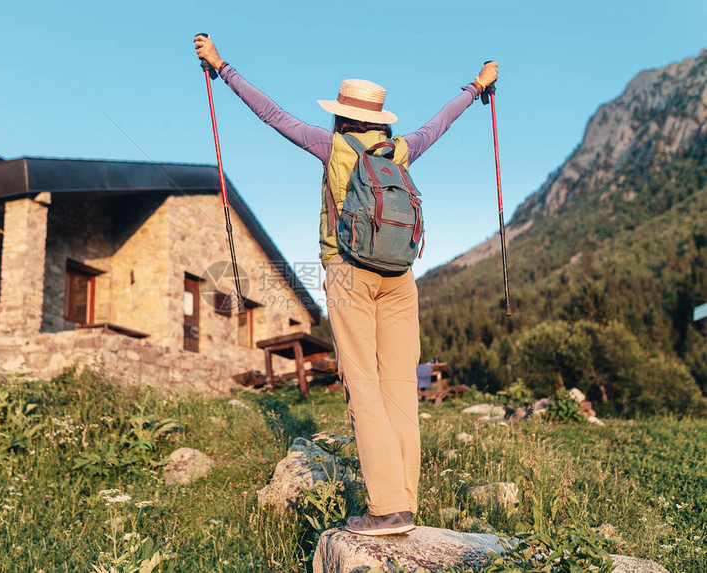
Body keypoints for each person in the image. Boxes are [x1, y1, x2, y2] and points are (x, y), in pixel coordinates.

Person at [194, 35, 497, 536]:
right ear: (379, 119)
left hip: (348, 273)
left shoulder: (331, 146)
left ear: (341, 114)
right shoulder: (400, 150)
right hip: (401, 280)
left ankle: (386, 510)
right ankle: (406, 501)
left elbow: (270, 114)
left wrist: (222, 67)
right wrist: (476, 86)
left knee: (364, 390)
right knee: (401, 391)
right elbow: (439, 123)